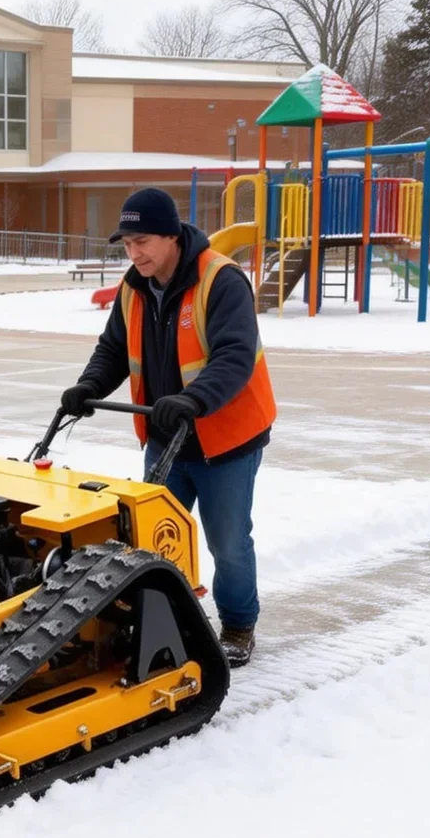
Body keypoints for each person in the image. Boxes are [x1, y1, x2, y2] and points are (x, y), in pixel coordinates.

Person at [59, 188, 276, 667]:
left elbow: (235, 356)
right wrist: (87, 386)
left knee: (227, 541)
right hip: (167, 437)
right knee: (152, 537)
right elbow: (113, 349)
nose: (134, 253)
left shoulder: (221, 280)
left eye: (143, 241)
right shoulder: (134, 286)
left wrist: (193, 398)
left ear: (172, 236)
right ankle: (167, 622)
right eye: (127, 244)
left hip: (227, 438)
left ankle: (239, 625)